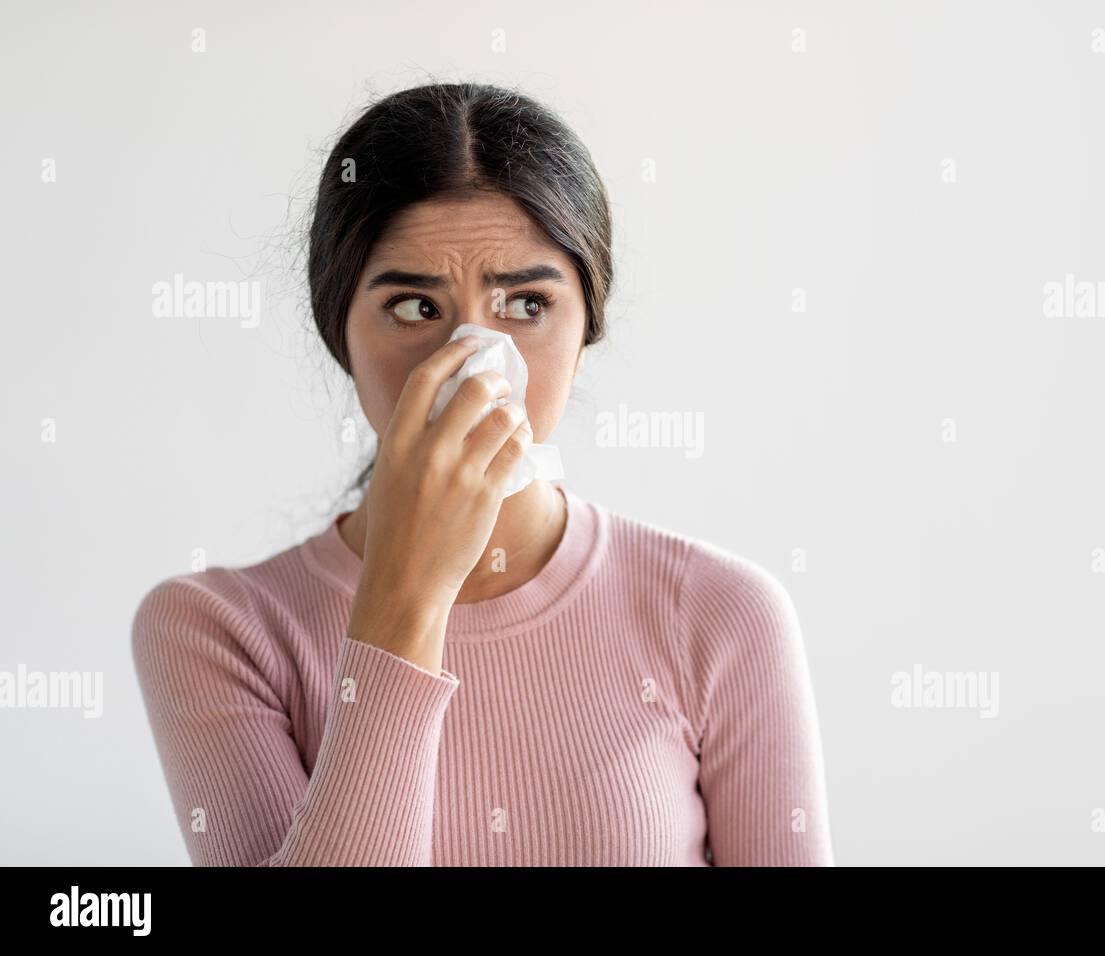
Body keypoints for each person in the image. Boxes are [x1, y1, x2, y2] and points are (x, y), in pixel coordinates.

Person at [131, 82, 833, 866]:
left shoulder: (720, 615)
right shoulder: (218, 632)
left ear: (585, 326)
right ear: (342, 335)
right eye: (413, 309)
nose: (472, 364)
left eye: (526, 305)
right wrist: (409, 590)